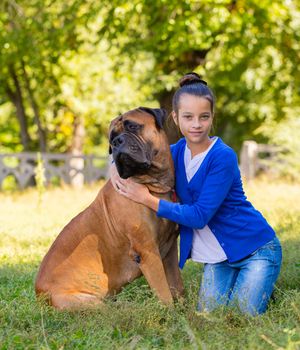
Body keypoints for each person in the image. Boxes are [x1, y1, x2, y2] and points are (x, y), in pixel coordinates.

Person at [110, 72, 282, 316]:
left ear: (212, 118)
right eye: (188, 117)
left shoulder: (222, 156)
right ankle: (251, 289)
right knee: (208, 317)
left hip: (256, 250)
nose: (196, 124)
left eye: (204, 117)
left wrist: (147, 199)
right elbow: (137, 155)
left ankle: (261, 281)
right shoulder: (175, 153)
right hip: (218, 260)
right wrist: (113, 169)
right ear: (175, 118)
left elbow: (200, 215)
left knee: (240, 317)